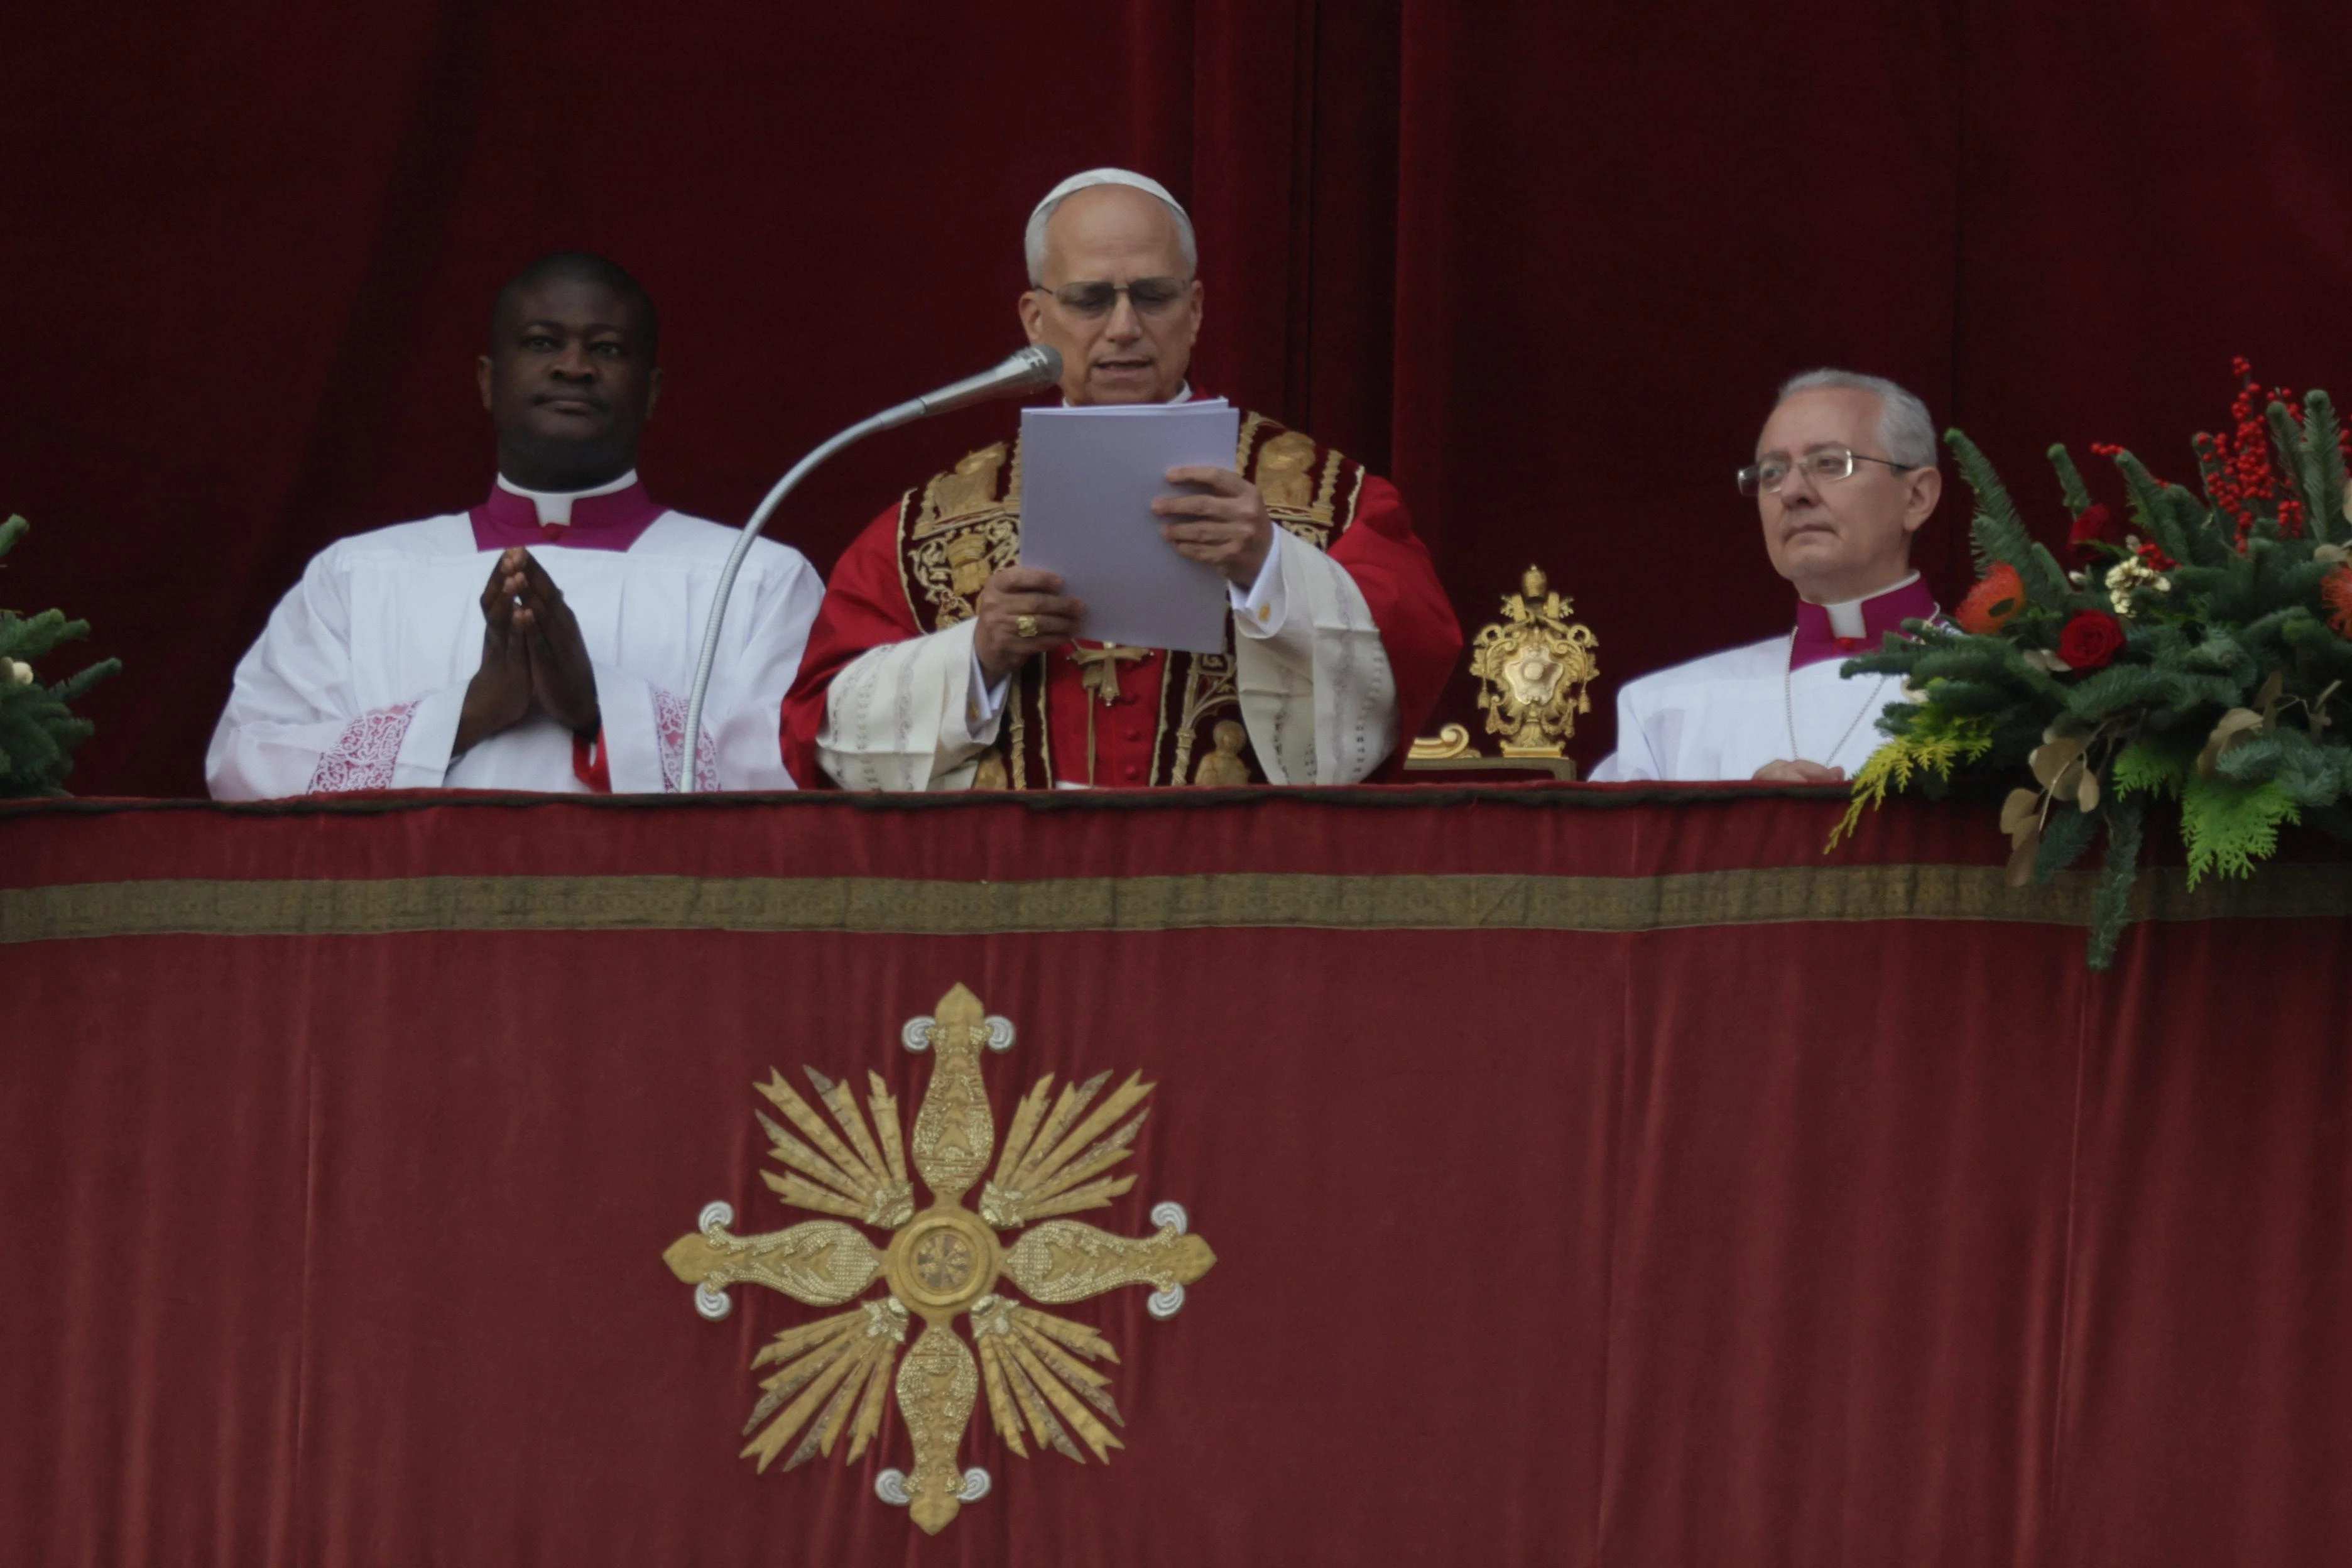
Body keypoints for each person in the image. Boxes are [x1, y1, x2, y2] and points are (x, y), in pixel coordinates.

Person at [780, 168, 1459, 790]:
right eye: (1090, 300)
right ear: (1035, 319)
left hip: (1240, 896)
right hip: (1014, 905)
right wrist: (978, 656)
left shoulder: (1323, 499)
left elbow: (1414, 663)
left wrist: (1272, 568)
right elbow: (824, 730)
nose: (1125, 328)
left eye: (1154, 297)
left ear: (1194, 311)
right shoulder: (931, 524)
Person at [207, 252, 822, 797]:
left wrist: (598, 708)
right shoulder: (355, 576)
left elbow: (793, 779)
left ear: (652, 391)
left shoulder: (758, 579)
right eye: (541, 342)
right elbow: (249, 765)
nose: (574, 367)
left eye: (606, 348)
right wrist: (469, 712)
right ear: (486, 380)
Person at [1589, 369, 1946, 783]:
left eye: (1830, 464)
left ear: (1917, 497)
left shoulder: (2011, 694)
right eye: (1772, 473)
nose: (1793, 491)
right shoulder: (1666, 709)